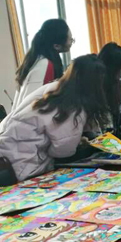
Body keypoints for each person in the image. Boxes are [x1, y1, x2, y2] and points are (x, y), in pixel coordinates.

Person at [0, 55, 108, 183]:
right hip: (22, 162)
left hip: (7, 147)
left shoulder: (53, 88)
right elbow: (62, 151)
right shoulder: (73, 106)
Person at [13, 19, 73, 109]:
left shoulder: (35, 59)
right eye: (71, 40)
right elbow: (34, 105)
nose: (71, 43)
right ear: (56, 46)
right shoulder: (45, 65)